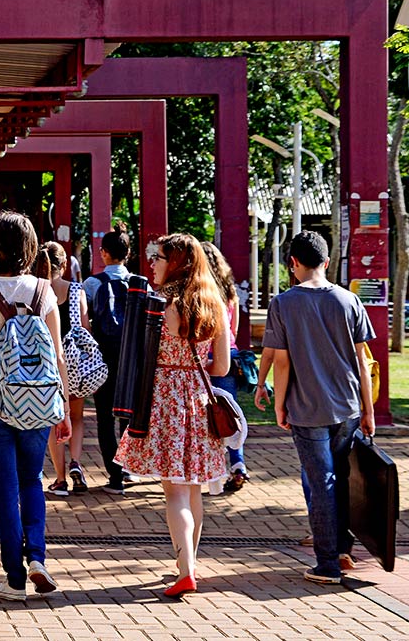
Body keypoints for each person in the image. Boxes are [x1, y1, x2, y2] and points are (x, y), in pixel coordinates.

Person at [0, 211, 72, 601]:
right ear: (30, 248)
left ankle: (14, 577)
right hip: (39, 397)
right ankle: (37, 558)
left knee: (4, 486)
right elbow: (58, 356)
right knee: (31, 480)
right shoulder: (45, 292)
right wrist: (66, 411)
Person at [115, 233, 230, 598]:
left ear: (175, 262)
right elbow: (222, 366)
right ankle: (189, 563)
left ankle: (185, 570)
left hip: (164, 398)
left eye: (158, 257)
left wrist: (172, 367)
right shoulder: (215, 304)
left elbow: (140, 355)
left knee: (174, 493)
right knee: (192, 488)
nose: (152, 263)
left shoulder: (162, 304)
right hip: (197, 399)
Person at [264, 231, 375, 585]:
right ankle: (342, 549)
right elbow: (363, 363)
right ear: (327, 263)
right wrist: (368, 410)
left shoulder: (283, 303)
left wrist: (279, 405)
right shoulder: (349, 300)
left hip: (306, 407)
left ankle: (327, 563)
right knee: (341, 478)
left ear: (293, 263)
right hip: (348, 406)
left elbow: (282, 363)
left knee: (322, 482)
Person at [33, 242, 90, 496]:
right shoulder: (77, 290)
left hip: (47, 364)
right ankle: (76, 463)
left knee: (53, 420)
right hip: (75, 364)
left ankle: (60, 477)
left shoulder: (36, 291)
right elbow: (85, 329)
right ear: (65, 264)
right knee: (76, 417)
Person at [82, 226, 132, 494]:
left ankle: (114, 475)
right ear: (128, 253)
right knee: (127, 416)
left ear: (104, 254)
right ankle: (127, 468)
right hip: (131, 359)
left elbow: (85, 321)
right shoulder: (140, 282)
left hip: (103, 357)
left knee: (104, 417)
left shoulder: (92, 284)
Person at [199, 241, 250, 492]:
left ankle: (211, 470)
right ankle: (238, 463)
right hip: (229, 354)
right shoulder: (230, 292)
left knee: (205, 417)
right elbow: (234, 329)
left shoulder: (200, 293)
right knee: (228, 413)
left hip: (204, 356)